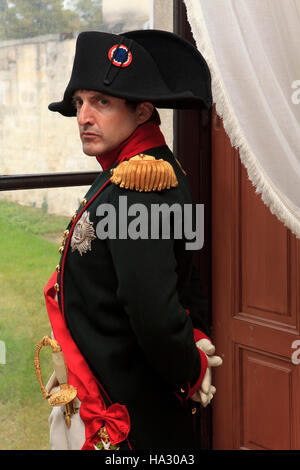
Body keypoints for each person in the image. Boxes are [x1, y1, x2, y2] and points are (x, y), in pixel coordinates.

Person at [43, 29, 222, 451]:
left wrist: (190, 368)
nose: (83, 116)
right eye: (80, 102)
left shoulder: (141, 183)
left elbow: (153, 310)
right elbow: (183, 273)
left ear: (142, 111)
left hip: (125, 412)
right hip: (100, 382)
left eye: (101, 102)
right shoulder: (129, 171)